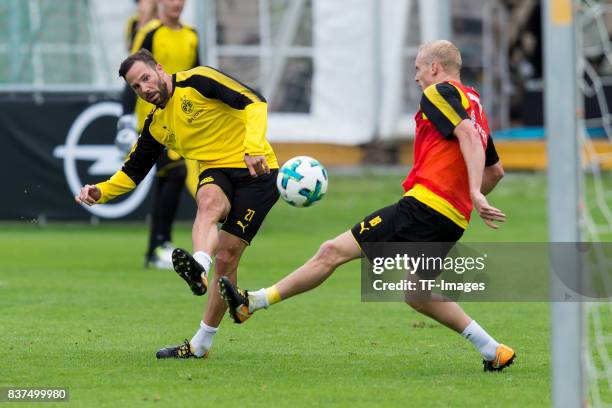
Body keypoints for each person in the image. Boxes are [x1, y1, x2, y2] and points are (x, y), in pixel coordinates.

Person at [219, 40, 516, 372]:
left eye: (418, 69)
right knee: (417, 294)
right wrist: (467, 200)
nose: (416, 77)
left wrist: (473, 192)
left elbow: (468, 138)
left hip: (422, 207)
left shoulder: (438, 93)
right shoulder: (475, 104)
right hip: (450, 220)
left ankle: (252, 302)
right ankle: (494, 350)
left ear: (434, 67)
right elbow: (496, 170)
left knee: (332, 251)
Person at [75, 49, 279, 359]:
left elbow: (255, 101)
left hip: (257, 172)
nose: (144, 88)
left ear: (159, 68)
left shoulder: (198, 80)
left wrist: (253, 148)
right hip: (216, 170)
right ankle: (198, 266)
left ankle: (201, 342)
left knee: (227, 257)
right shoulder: (157, 125)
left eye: (145, 78)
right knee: (208, 203)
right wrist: (100, 192)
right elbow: (132, 172)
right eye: (136, 87)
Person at [115, 0, 200, 269]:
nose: (176, 3)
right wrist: (126, 119)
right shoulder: (150, 32)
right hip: (152, 121)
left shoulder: (191, 35)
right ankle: (160, 244)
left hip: (183, 120)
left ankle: (155, 249)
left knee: (168, 178)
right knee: (175, 172)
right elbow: (131, 76)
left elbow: (196, 77)